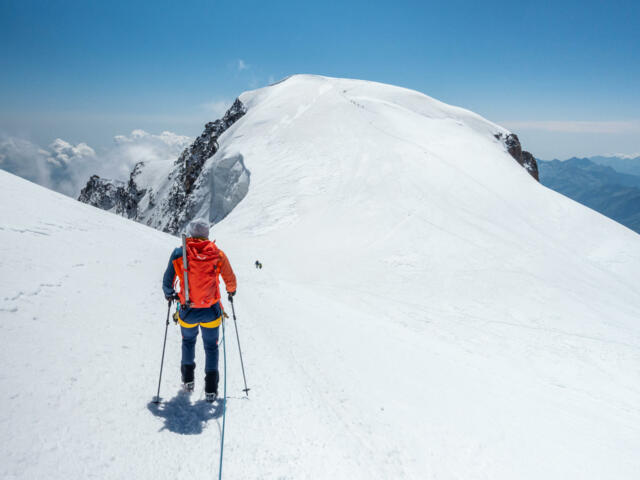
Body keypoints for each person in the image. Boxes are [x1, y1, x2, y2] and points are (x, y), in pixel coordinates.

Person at [162, 219, 237, 401]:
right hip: (211, 310)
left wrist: (169, 294)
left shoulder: (180, 253)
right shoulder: (217, 254)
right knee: (211, 347)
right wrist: (231, 291)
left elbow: (167, 281)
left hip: (188, 310)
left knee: (188, 342)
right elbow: (230, 279)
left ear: (190, 233)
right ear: (207, 234)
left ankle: (188, 380)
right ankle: (211, 389)